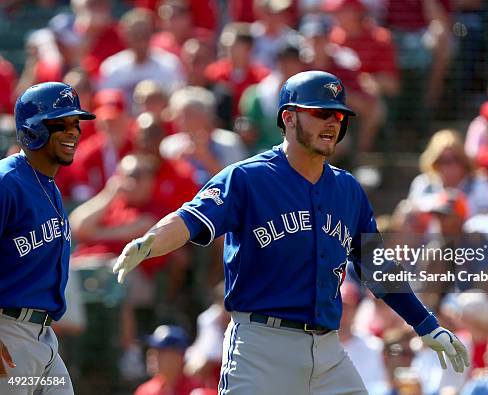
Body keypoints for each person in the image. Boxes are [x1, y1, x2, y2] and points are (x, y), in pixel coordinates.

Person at [112, 70, 469, 394]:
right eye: (320, 113)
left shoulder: (348, 191)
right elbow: (189, 219)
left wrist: (426, 325)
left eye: (338, 115)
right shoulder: (247, 178)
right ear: (288, 117)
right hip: (261, 347)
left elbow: (378, 268)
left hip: (329, 352)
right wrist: (150, 241)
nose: (332, 122)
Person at [0, 82, 96, 394]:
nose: (73, 132)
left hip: (42, 338)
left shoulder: (47, 184)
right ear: (32, 129)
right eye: (61, 124)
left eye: (75, 124)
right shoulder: (7, 182)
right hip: (9, 332)